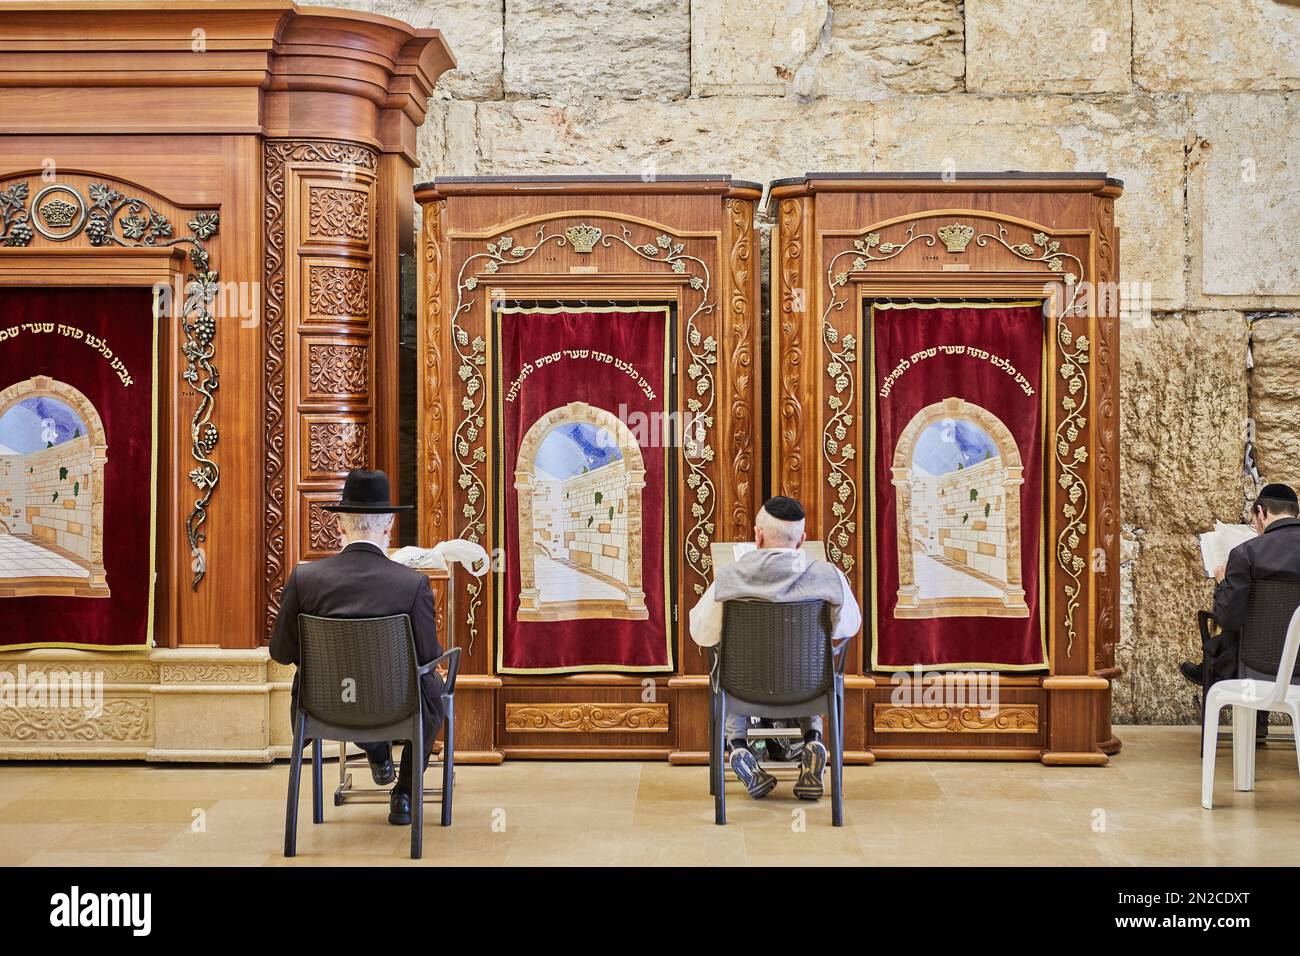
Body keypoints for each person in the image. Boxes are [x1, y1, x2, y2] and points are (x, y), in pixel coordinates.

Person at [270, 469, 444, 826]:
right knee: (433, 690)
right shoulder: (412, 584)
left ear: (340, 527)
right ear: (389, 528)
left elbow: (281, 652)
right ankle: (405, 794)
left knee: (353, 685)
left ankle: (378, 754)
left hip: (327, 706)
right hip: (397, 706)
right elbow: (428, 657)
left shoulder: (305, 580)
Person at [689, 496, 861, 801]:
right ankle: (813, 740)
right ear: (802, 541)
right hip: (808, 689)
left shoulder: (730, 577)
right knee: (812, 659)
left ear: (757, 536)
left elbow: (702, 634)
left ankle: (739, 748)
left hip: (745, 688)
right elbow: (847, 627)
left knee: (726, 664)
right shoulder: (828, 576)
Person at [1180, 483, 1300, 739]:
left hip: (1256, 663)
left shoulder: (1246, 552)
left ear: (1261, 512)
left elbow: (1228, 617)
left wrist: (1223, 583)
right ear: (1295, 514)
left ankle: (1213, 675)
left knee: (1237, 637)